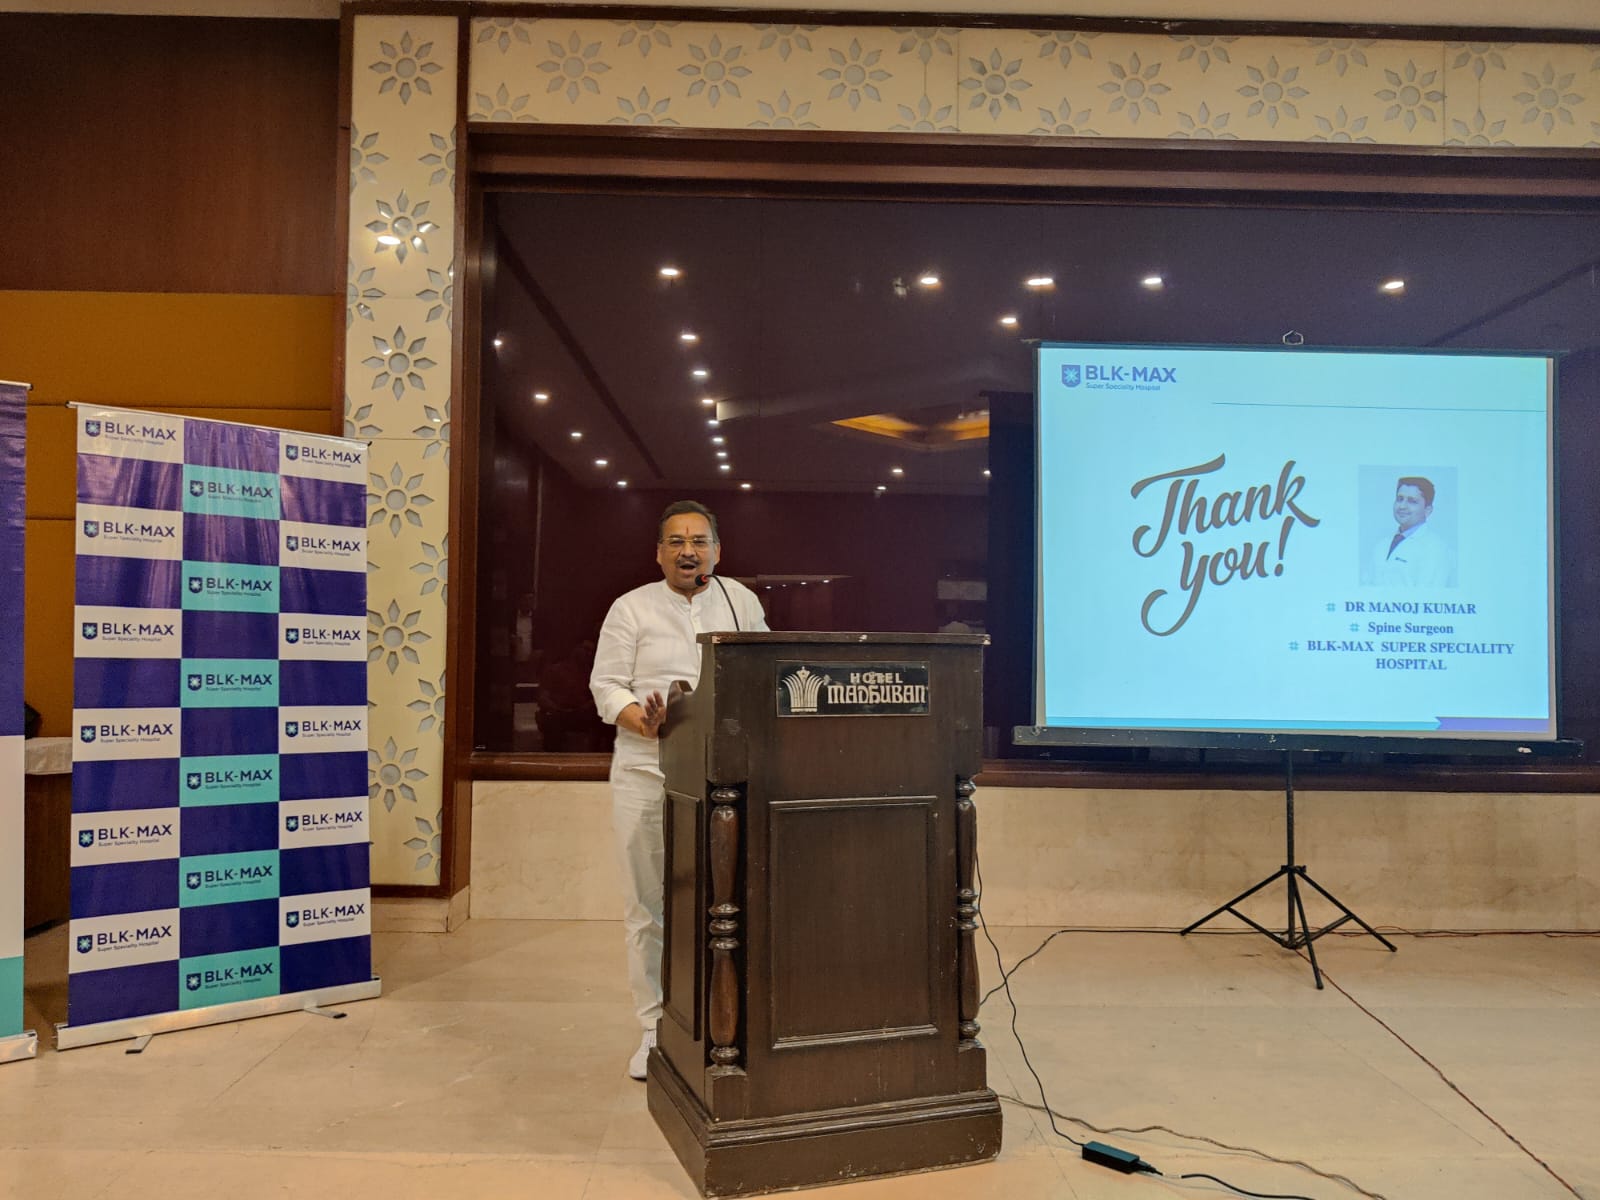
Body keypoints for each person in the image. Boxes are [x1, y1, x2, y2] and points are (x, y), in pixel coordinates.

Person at [589, 500, 768, 1080]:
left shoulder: (741, 602)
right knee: (648, 905)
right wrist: (642, 720)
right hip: (647, 772)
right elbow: (606, 686)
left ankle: (726, 1017)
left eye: (699, 541)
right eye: (676, 541)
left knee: (725, 901)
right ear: (659, 553)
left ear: (718, 550)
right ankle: (654, 1024)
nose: (688, 551)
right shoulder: (630, 607)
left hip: (723, 779)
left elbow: (764, 670)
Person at [1369, 475, 1455, 587]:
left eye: (1412, 501)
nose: (1402, 506)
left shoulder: (1436, 549)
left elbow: (1430, 595)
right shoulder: (1382, 545)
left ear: (1428, 510)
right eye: (1400, 499)